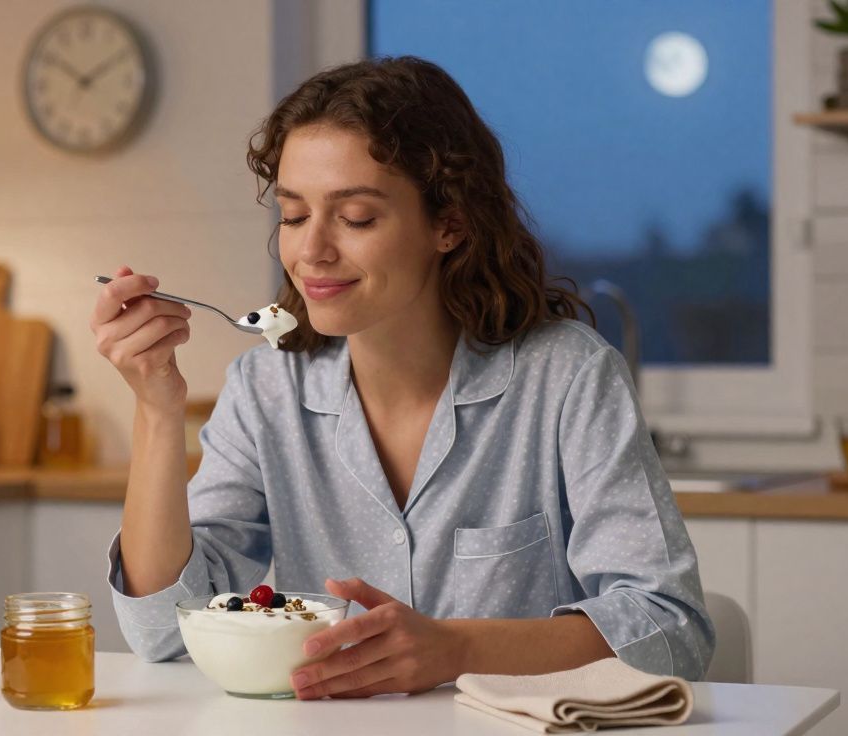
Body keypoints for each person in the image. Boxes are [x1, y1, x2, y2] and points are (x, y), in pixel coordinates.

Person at [89, 56, 714, 699]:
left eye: (356, 217)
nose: (312, 251)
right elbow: (164, 629)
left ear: (450, 224)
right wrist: (157, 410)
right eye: (295, 215)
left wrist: (458, 649)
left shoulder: (567, 378)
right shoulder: (265, 390)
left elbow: (672, 633)